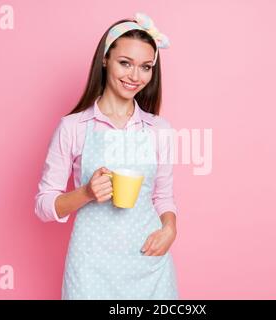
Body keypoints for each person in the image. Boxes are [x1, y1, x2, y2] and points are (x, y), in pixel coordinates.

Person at [34, 12, 179, 299]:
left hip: (148, 260)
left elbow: (162, 195)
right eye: (125, 63)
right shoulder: (73, 127)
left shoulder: (158, 129)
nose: (135, 76)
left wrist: (170, 229)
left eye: (145, 67)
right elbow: (43, 205)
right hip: (91, 266)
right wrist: (86, 192)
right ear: (105, 60)